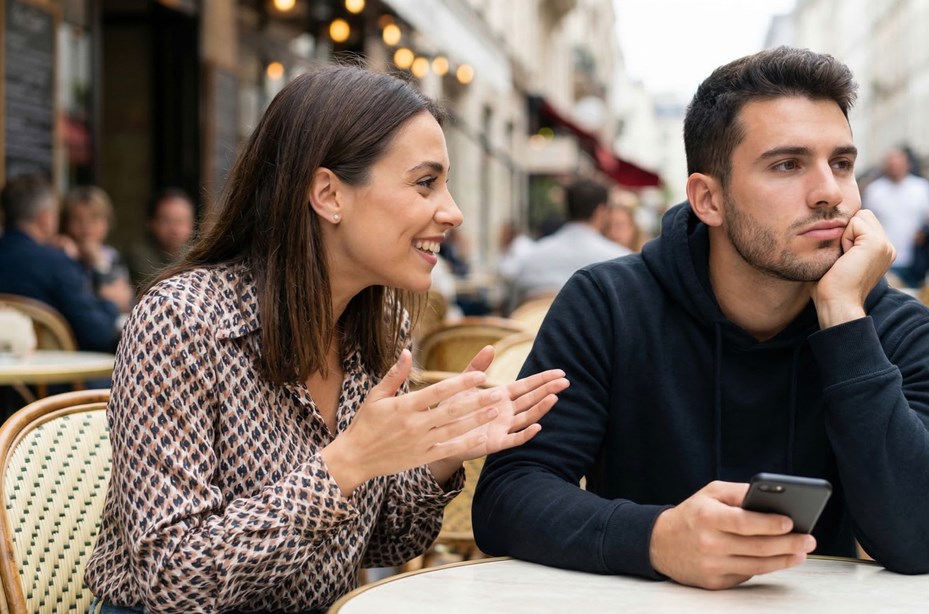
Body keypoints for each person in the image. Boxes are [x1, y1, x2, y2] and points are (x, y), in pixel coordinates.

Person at [473, 46, 929, 589]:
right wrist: (656, 538)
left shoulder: (900, 331)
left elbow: (923, 538)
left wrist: (845, 319)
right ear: (708, 199)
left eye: (842, 164)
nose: (830, 192)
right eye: (787, 164)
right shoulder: (610, 305)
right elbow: (508, 496)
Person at [83, 64, 569, 613]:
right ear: (329, 194)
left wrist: (440, 451)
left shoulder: (377, 328)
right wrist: (347, 463)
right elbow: (175, 580)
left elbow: (391, 541)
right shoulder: (182, 322)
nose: (452, 212)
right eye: (425, 182)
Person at [0, 175, 123, 352]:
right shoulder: (57, 264)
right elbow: (99, 334)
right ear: (45, 218)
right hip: (56, 374)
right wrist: (111, 302)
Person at [512, 178, 631, 303]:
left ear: (566, 207)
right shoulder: (620, 261)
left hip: (533, 320)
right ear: (601, 211)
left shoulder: (531, 257)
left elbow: (513, 308)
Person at [861, 147, 929, 287]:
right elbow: (865, 221)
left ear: (907, 164)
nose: (895, 167)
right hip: (885, 259)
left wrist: (925, 232)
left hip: (916, 259)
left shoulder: (921, 188)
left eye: (898, 163)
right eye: (891, 164)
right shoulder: (874, 191)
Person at [58, 185, 133, 310]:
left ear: (107, 223)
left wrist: (99, 263)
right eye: (77, 219)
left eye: (94, 219)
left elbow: (124, 301)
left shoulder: (112, 256)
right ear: (66, 223)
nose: (86, 227)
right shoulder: (61, 252)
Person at [125, 187, 196, 288]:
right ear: (150, 224)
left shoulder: (196, 254)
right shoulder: (139, 255)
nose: (175, 229)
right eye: (166, 221)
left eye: (180, 221)